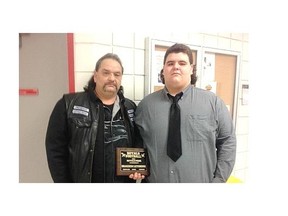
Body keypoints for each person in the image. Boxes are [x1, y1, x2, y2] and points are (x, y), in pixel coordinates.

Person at [135, 43, 236, 183]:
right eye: (170, 63)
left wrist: (219, 180)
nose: (176, 66)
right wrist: (136, 168)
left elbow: (227, 142)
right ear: (163, 70)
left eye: (182, 63)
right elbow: (138, 143)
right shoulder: (145, 106)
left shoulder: (213, 103)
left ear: (191, 69)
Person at [45, 53, 144, 183]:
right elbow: (55, 150)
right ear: (95, 76)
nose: (111, 78)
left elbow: (137, 142)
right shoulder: (68, 104)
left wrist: (137, 168)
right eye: (106, 73)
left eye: (117, 74)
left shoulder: (130, 107)